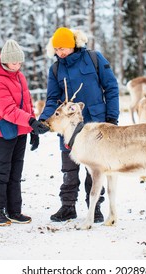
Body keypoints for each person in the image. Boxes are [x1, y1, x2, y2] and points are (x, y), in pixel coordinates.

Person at [39, 27, 120, 223]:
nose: (61, 52)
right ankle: (67, 207)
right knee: (69, 167)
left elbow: (111, 88)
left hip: (96, 123)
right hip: (68, 127)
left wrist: (112, 117)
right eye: (57, 49)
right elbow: (52, 98)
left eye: (64, 48)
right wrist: (43, 119)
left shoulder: (94, 58)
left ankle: (95, 207)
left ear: (74, 44)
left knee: (95, 167)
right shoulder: (56, 69)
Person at [0, 39, 50, 226]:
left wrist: (33, 129)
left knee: (16, 172)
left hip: (20, 130)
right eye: (14, 62)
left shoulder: (20, 76)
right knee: (2, 171)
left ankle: (14, 210)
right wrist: (30, 121)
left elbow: (27, 104)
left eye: (20, 62)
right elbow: (7, 110)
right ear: (5, 61)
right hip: (4, 131)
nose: (18, 65)